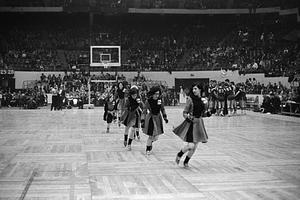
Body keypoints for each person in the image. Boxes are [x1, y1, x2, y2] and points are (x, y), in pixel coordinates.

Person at [173, 83, 209, 167]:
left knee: (195, 146)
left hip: (199, 124)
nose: (194, 90)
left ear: (200, 90)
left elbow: (203, 114)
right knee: (191, 145)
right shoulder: (190, 99)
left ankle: (186, 162)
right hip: (191, 124)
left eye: (195, 89)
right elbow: (185, 112)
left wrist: (210, 113)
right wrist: (188, 118)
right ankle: (179, 154)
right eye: (193, 89)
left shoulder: (203, 100)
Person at [143, 86, 168, 155]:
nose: (157, 95)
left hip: (158, 118)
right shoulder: (148, 101)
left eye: (158, 94)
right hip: (151, 118)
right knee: (151, 135)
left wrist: (165, 117)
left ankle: (150, 142)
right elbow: (144, 111)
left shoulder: (160, 100)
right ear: (152, 94)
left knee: (156, 137)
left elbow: (162, 109)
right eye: (156, 94)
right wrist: (142, 120)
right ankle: (148, 149)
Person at [121, 86, 143, 150]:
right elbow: (125, 107)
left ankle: (129, 144)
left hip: (135, 115)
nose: (135, 96)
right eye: (133, 95)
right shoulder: (128, 99)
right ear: (131, 94)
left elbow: (141, 105)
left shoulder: (138, 99)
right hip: (129, 114)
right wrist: (128, 109)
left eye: (136, 95)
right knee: (127, 128)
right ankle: (125, 139)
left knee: (133, 129)